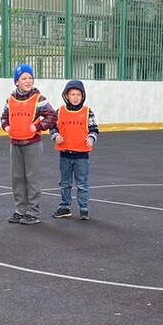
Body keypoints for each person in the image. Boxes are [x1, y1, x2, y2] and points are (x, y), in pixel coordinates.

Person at [1, 63, 57, 225]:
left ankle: (33, 212)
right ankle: (21, 210)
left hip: (32, 144)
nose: (28, 81)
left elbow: (52, 116)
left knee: (32, 178)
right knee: (17, 178)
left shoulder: (39, 99)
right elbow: (4, 117)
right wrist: (7, 127)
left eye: (30, 78)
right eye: (24, 78)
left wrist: (37, 126)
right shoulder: (9, 100)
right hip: (15, 144)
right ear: (16, 81)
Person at [51, 79, 99, 220]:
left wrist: (91, 138)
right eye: (72, 94)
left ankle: (84, 208)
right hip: (65, 154)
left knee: (82, 184)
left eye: (78, 94)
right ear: (66, 95)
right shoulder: (60, 111)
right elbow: (53, 127)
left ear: (83, 96)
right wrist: (56, 135)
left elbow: (94, 129)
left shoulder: (87, 112)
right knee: (65, 183)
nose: (76, 97)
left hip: (81, 155)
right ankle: (65, 207)